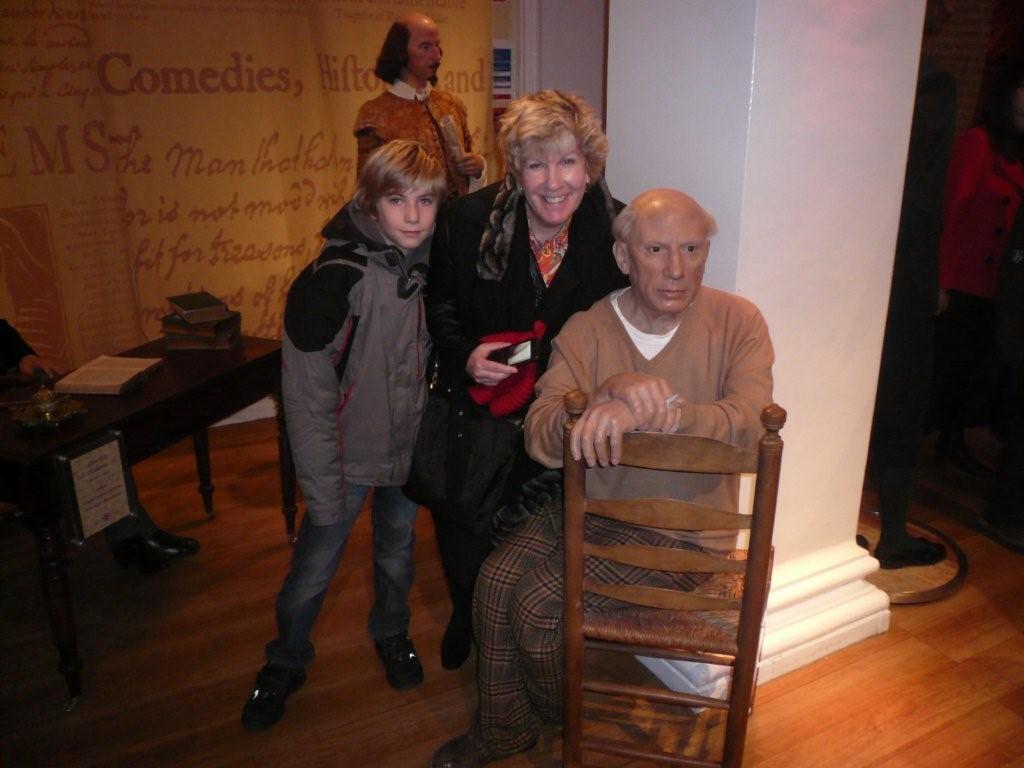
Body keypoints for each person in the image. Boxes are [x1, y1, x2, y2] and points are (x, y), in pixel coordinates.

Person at [430, 188, 774, 767]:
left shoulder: (738, 322)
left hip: (683, 534)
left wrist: (656, 413)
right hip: (590, 509)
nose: (676, 268)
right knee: (493, 582)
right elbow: (540, 434)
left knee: (536, 605)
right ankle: (508, 728)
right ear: (623, 257)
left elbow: (750, 423)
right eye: (656, 249)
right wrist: (604, 396)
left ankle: (558, 713)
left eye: (692, 249)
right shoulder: (588, 328)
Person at [241, 140, 445, 732]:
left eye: (426, 201)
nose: (413, 215)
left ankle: (392, 630)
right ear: (370, 202)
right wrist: (324, 487)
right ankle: (285, 659)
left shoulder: (439, 268)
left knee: (396, 553)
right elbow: (307, 400)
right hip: (346, 458)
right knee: (313, 567)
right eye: (397, 200)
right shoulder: (332, 280)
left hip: (406, 453)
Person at [425, 90, 628, 672]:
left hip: (561, 412)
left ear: (590, 166)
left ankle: (520, 631)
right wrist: (465, 355)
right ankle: (467, 612)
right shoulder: (467, 222)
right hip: (481, 405)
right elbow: (439, 304)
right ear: (514, 168)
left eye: (568, 162)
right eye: (537, 164)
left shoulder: (616, 231)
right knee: (464, 524)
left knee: (533, 536)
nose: (554, 181)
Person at [0, 319, 200, 574]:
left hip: (11, 394)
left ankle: (133, 534)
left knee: (93, 432)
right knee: (68, 445)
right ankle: (131, 537)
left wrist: (24, 356)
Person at [868, 0, 956, 569]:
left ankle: (836, 526)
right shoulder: (930, 81)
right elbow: (924, 197)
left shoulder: (861, 74)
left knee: (858, 395)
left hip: (850, 261)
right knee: (901, 398)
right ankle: (895, 533)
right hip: (902, 268)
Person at [930, 60, 1024, 474]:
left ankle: (952, 440)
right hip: (966, 280)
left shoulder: (1017, 152)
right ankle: (908, 452)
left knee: (974, 374)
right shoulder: (978, 143)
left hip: (1002, 286)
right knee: (946, 372)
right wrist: (942, 281)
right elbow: (951, 212)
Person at [354, 12, 486, 201]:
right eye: (425, 47)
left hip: (459, 216)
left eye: (437, 45)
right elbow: (367, 191)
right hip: (408, 216)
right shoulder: (375, 115)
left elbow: (466, 173)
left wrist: (478, 167)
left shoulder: (452, 104)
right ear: (401, 52)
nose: (437, 54)